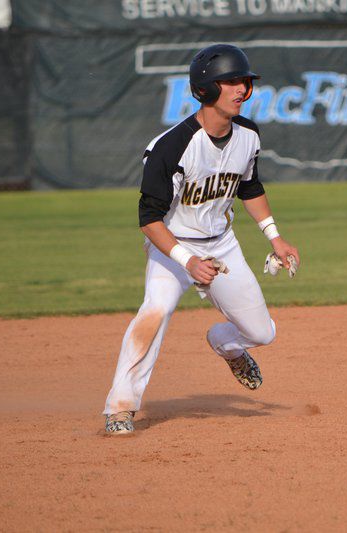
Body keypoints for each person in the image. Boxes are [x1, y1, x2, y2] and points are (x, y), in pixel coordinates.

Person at [103, 44, 300, 435]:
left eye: (244, 81)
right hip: (173, 245)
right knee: (154, 312)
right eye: (230, 81)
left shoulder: (248, 134)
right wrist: (186, 260)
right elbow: (149, 219)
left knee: (262, 333)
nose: (242, 88)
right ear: (206, 89)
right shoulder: (171, 147)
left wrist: (275, 238)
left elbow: (249, 187)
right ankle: (120, 407)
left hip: (222, 245)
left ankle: (226, 346)